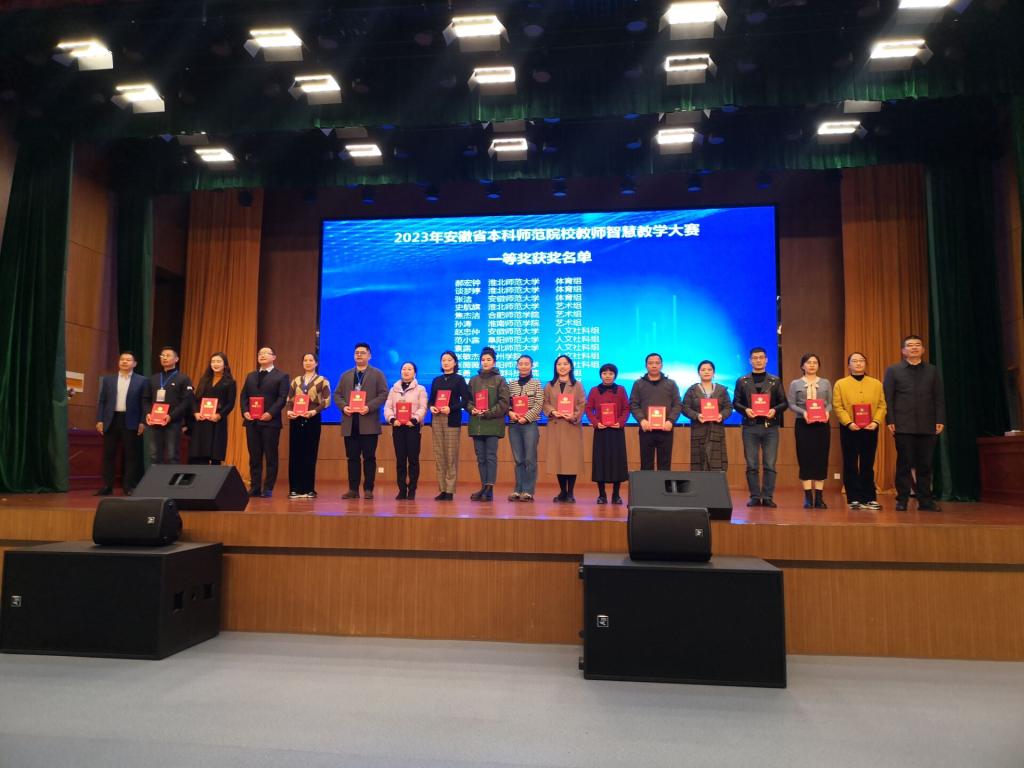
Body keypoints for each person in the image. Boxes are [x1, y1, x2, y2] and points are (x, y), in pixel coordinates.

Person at [883, 335, 946, 512]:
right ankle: (902, 499)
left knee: (925, 465)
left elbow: (939, 397)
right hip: (903, 424)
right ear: (903, 351)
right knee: (904, 463)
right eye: (910, 345)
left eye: (917, 345)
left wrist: (940, 419)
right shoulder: (893, 370)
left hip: (928, 424)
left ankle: (925, 501)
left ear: (923, 349)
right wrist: (890, 420)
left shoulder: (932, 370)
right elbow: (888, 398)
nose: (914, 348)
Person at [733, 347, 788, 508]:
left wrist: (774, 410)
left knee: (770, 464)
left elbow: (784, 403)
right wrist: (745, 410)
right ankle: (755, 496)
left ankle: (768, 496)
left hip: (770, 428)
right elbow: (736, 403)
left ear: (766, 360)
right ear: (750, 361)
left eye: (761, 357)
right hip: (750, 427)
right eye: (755, 358)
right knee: (752, 465)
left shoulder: (775, 381)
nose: (758, 360)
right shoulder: (742, 381)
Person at [334, 342, 388, 500]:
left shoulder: (377, 374)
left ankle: (368, 489)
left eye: (363, 352)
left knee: (369, 458)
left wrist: (369, 407)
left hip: (369, 422)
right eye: (356, 352)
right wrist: (344, 407)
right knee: (352, 458)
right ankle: (353, 490)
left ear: (369, 355)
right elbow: (337, 395)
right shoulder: (346, 375)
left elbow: (384, 394)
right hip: (350, 423)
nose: (359, 355)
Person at [833, 352, 887, 510]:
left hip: (870, 428)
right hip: (849, 429)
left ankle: (869, 497)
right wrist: (848, 422)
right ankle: (853, 498)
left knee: (867, 463)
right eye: (854, 361)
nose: (858, 363)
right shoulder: (841, 384)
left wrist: (876, 422)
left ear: (865, 364)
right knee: (850, 463)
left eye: (861, 360)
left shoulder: (876, 384)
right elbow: (838, 406)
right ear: (849, 365)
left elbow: (882, 405)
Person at [94, 350, 150, 496]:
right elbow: (102, 401)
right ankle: (107, 486)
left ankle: (129, 486)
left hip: (131, 421)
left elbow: (144, 402)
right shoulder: (108, 380)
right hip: (111, 419)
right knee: (108, 454)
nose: (124, 362)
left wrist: (143, 421)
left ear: (135, 363)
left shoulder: (142, 380)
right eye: (122, 359)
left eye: (128, 360)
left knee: (131, 455)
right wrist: (100, 419)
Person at [240, 346, 289, 498]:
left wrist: (270, 413)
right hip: (252, 422)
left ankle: (268, 487)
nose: (262, 355)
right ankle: (254, 487)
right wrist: (245, 411)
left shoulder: (282, 376)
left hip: (270, 423)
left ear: (274, 357)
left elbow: (282, 398)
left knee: (270, 456)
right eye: (260, 353)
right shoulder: (251, 376)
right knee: (254, 457)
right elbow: (243, 396)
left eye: (266, 353)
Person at [787, 353, 832, 509]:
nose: (812, 365)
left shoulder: (825, 383)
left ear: (818, 365)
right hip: (803, 424)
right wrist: (804, 412)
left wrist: (827, 412)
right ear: (802, 366)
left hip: (822, 425)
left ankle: (819, 497)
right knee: (805, 458)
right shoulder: (795, 383)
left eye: (815, 362)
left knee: (821, 458)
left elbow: (830, 403)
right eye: (808, 362)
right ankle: (807, 496)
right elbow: (791, 404)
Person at [465, 347, 510, 502]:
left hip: (493, 424)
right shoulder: (473, 380)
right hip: (477, 424)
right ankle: (484, 486)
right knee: (481, 457)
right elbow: (467, 401)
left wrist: (489, 412)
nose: (485, 362)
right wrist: (472, 409)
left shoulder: (500, 380)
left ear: (494, 362)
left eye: (488, 359)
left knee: (490, 456)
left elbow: (504, 403)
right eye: (483, 360)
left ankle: (490, 488)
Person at [285, 353, 332, 499]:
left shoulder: (322, 380)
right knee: (295, 454)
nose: (307, 362)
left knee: (310, 453)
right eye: (305, 360)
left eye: (311, 360)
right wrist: (289, 411)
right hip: (296, 419)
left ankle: (308, 488)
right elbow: (289, 399)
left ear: (316, 363)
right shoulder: (296, 381)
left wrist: (314, 411)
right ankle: (294, 489)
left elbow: (327, 400)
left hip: (312, 419)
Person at [428, 351, 472, 501]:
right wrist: (431, 407)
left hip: (451, 419)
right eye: (443, 360)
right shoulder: (436, 380)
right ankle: (442, 489)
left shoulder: (459, 379)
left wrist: (451, 408)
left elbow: (465, 400)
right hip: (437, 419)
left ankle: (450, 490)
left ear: (455, 362)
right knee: (439, 455)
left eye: (449, 360)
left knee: (451, 455)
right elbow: (431, 400)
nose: (446, 362)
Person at [629, 352, 683, 471]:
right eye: (650, 363)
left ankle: (663, 485)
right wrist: (642, 420)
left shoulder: (671, 384)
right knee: (646, 464)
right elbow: (633, 404)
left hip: (666, 429)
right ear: (646, 366)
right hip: (646, 429)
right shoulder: (638, 384)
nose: (654, 365)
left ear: (661, 365)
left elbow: (678, 404)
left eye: (657, 363)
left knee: (664, 465)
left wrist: (671, 421)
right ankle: (647, 484)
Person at [543, 354, 586, 503]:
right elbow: (545, 403)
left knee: (571, 460)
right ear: (555, 367)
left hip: (571, 426)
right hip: (556, 425)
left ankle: (570, 493)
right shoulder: (549, 385)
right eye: (559, 364)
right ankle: (562, 491)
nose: (562, 366)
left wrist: (573, 416)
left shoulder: (577, 385)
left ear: (571, 367)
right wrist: (552, 411)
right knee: (558, 460)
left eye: (565, 364)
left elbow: (582, 404)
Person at [585, 363, 630, 504]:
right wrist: (596, 422)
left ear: (615, 375)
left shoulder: (621, 390)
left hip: (616, 431)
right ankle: (602, 495)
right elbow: (588, 409)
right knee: (600, 462)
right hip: (601, 431)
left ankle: (616, 495)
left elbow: (626, 408)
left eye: (611, 373)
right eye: (604, 373)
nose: (608, 376)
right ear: (601, 375)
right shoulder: (594, 390)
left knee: (617, 462)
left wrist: (620, 422)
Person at [384, 361, 428, 500]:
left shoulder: (420, 389)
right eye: (404, 369)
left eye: (409, 369)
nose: (406, 371)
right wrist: (392, 419)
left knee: (413, 460)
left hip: (413, 428)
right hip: (398, 428)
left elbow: (423, 407)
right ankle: (402, 489)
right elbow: (387, 407)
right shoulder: (394, 389)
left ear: (414, 373)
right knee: (400, 460)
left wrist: (414, 419)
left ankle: (412, 489)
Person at [681, 360, 733, 472]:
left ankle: (716, 484)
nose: (706, 372)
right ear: (698, 373)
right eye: (703, 370)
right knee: (699, 464)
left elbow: (729, 407)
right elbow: (684, 408)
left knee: (717, 464)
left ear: (714, 372)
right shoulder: (692, 390)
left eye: (709, 369)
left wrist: (721, 415)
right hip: (698, 431)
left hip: (716, 431)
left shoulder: (722, 390)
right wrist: (697, 415)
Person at [146, 346, 194, 464]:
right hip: (154, 423)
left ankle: (172, 477)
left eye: (168, 355)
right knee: (154, 455)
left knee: (172, 456)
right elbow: (146, 399)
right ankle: (156, 477)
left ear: (176, 359)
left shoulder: (183, 379)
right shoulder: (154, 378)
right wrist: (148, 413)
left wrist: (171, 416)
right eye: (162, 355)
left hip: (173, 423)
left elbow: (186, 402)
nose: (164, 358)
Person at [507, 354, 544, 502]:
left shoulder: (536, 383)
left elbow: (539, 404)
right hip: (514, 424)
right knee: (518, 459)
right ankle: (518, 489)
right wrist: (510, 413)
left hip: (530, 424)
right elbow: (506, 403)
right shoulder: (511, 384)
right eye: (520, 363)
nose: (523, 366)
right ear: (517, 366)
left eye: (526, 363)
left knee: (530, 458)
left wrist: (526, 417)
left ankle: (528, 491)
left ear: (531, 366)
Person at [188, 352, 236, 466]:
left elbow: (230, 403)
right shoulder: (204, 380)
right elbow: (196, 399)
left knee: (215, 454)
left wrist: (219, 415)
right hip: (202, 420)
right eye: (213, 361)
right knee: (201, 453)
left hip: (217, 421)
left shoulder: (230, 382)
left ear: (225, 364)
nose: (215, 364)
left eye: (218, 361)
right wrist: (196, 413)